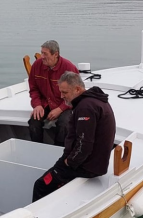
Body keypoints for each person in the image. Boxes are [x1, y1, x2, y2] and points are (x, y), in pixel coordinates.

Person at [32, 72, 116, 202]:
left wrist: (69, 162)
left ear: (77, 89)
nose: (61, 96)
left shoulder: (85, 108)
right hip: (94, 162)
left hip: (86, 167)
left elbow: (84, 143)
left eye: (65, 92)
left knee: (41, 185)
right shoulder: (95, 101)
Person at [28, 39, 79, 145]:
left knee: (64, 124)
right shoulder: (37, 65)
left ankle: (58, 150)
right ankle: (36, 148)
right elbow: (34, 89)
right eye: (41, 53)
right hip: (45, 102)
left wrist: (60, 109)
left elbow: (75, 94)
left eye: (45, 54)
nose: (41, 56)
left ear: (55, 54)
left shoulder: (68, 68)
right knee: (34, 121)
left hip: (65, 104)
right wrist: (37, 105)